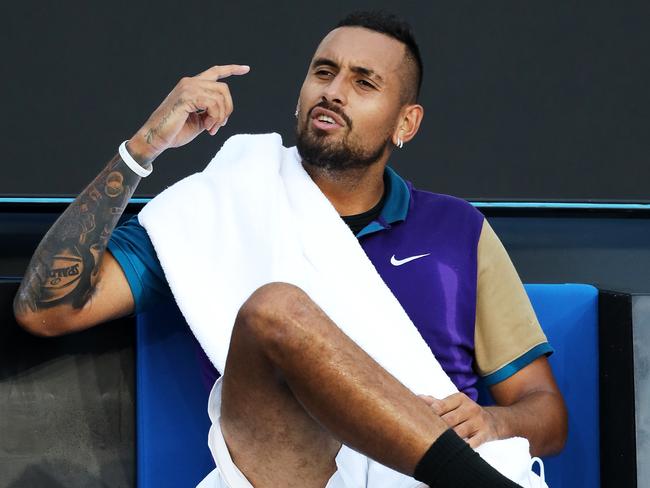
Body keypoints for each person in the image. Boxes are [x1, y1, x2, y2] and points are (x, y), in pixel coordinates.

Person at [14, 10, 566, 488]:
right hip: (288, 473)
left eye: (364, 82)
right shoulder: (222, 206)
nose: (333, 90)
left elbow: (547, 414)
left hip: (428, 473)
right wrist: (143, 149)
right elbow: (45, 309)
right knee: (275, 309)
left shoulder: (458, 230)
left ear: (406, 122)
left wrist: (495, 425)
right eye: (323, 72)